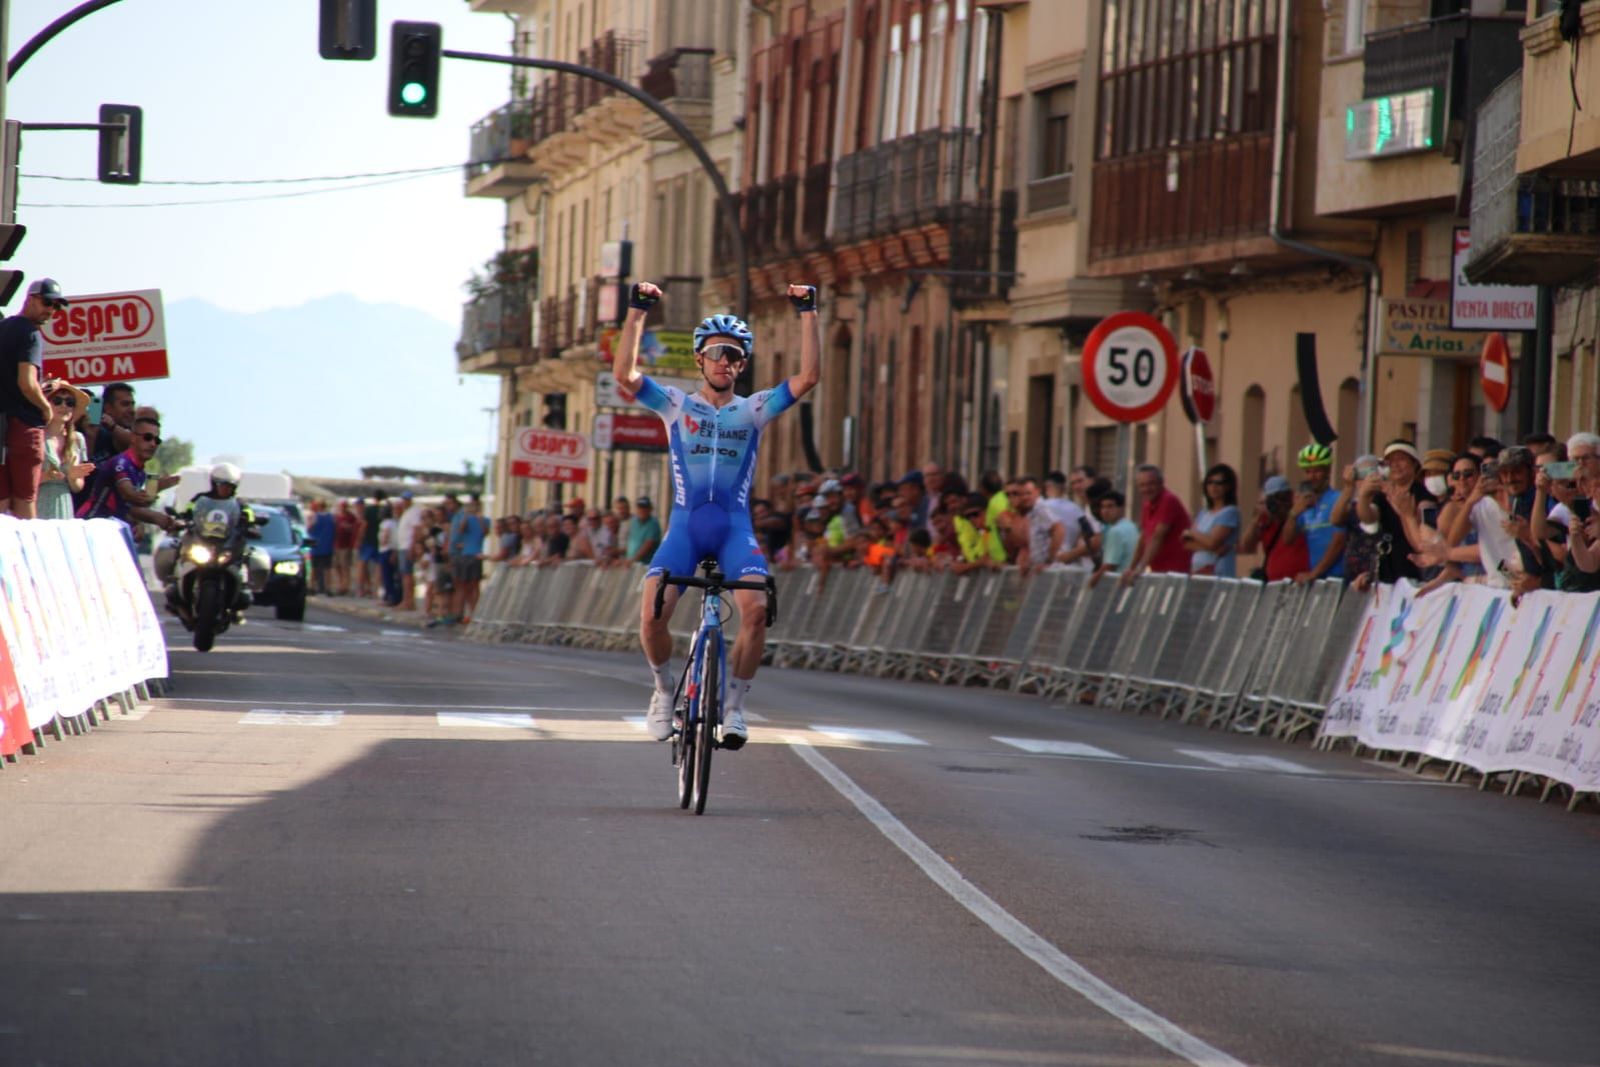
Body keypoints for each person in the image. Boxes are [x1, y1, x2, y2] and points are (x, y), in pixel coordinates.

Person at [618, 279, 819, 749]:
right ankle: (664, 691)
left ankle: (734, 707)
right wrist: (636, 312)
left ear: (742, 364)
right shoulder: (674, 404)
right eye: (716, 353)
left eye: (733, 355)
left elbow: (808, 378)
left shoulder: (753, 410)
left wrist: (808, 312)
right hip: (686, 528)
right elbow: (625, 376)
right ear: (699, 359)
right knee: (652, 614)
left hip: (734, 529)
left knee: (756, 610)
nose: (724, 362)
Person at [0, 279, 69, 518]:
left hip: (2, 424)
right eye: (47, 302)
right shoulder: (31, 333)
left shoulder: (4, 327)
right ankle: (20, 555)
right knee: (25, 501)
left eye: (56, 306)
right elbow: (26, 383)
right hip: (25, 426)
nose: (51, 310)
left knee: (2, 497)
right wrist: (45, 406)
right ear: (30, 299)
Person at [75, 413, 174, 555]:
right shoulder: (121, 462)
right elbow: (129, 495)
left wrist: (138, 523)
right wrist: (156, 516)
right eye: (147, 438)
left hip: (109, 531)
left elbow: (129, 508)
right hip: (91, 526)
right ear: (133, 438)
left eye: (157, 440)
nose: (152, 444)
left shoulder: (141, 472)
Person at [1282, 443, 1347, 584]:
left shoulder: (1337, 499)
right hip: (1317, 581)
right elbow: (1287, 540)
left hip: (1338, 578)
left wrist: (1314, 573)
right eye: (1308, 472)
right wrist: (1293, 513)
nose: (1312, 476)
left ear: (1328, 471)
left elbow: (1339, 541)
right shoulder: (1304, 503)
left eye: (1317, 471)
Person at [1121, 464, 1192, 585]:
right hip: (1159, 570)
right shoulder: (1147, 504)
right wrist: (1131, 568)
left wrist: (1140, 568)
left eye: (1151, 484)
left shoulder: (1168, 500)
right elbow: (1143, 538)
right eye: (1142, 485)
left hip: (1177, 571)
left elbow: (1157, 537)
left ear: (1161, 483)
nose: (1147, 489)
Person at [37, 381, 93, 521]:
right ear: (46, 404)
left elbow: (78, 487)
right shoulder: (35, 435)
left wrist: (73, 477)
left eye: (70, 402)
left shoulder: (78, 439)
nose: (64, 406)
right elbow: (21, 481)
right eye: (57, 401)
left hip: (65, 506)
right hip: (38, 503)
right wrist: (46, 476)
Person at [1239, 475, 1309, 581]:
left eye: (1282, 498)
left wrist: (1291, 513)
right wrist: (1255, 520)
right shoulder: (1265, 520)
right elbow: (1246, 547)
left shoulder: (1299, 514)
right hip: (1274, 582)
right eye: (1273, 499)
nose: (1279, 503)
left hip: (1298, 580)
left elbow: (1289, 538)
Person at [1183, 463, 1240, 577]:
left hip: (1218, 571)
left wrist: (1192, 533)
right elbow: (1186, 543)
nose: (1213, 487)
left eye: (1219, 483)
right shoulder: (1204, 513)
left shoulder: (1230, 512)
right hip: (1198, 570)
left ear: (1228, 486)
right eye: (1210, 483)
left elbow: (1213, 542)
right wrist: (1211, 547)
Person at [446, 494, 490, 623]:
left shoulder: (485, 520)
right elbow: (460, 530)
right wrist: (467, 515)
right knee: (462, 585)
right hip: (464, 555)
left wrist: (479, 517)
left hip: (476, 554)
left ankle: (474, 613)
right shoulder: (463, 518)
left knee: (474, 585)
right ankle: (459, 613)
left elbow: (485, 532)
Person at [1092, 490, 1140, 584]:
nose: (1105, 511)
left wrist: (1093, 581)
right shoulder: (1131, 526)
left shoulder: (1115, 531)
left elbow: (1110, 565)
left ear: (1121, 508)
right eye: (1103, 507)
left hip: (1120, 583)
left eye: (1110, 506)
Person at [624, 495, 662, 566]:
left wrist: (633, 560)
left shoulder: (653, 523)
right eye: (640, 508)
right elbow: (631, 543)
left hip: (645, 564)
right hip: (631, 563)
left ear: (650, 509)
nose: (642, 510)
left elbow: (648, 544)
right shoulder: (634, 521)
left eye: (645, 508)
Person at [332, 499, 359, 595]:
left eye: (344, 506)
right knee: (337, 566)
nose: (342, 508)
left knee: (345, 566)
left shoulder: (351, 517)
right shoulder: (337, 517)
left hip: (346, 545)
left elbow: (355, 529)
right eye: (341, 506)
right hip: (336, 544)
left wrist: (348, 527)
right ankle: (340, 584)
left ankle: (346, 585)